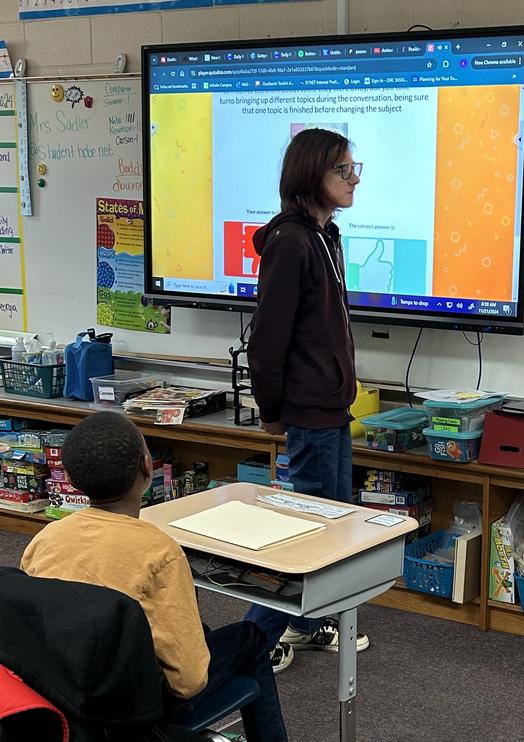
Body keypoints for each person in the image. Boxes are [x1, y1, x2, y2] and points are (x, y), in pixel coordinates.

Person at [19, 412, 288, 742]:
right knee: (251, 638)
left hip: (61, 696)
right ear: (148, 466)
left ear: (71, 478)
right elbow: (189, 682)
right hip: (135, 710)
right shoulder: (160, 552)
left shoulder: (46, 539)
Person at [246, 127, 368, 671]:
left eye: (353, 167)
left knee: (335, 526)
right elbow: (267, 340)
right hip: (307, 411)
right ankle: (254, 638)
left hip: (331, 407)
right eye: (342, 169)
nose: (354, 177)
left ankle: (305, 622)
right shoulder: (291, 242)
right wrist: (271, 411)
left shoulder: (327, 235)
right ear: (310, 175)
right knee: (309, 538)